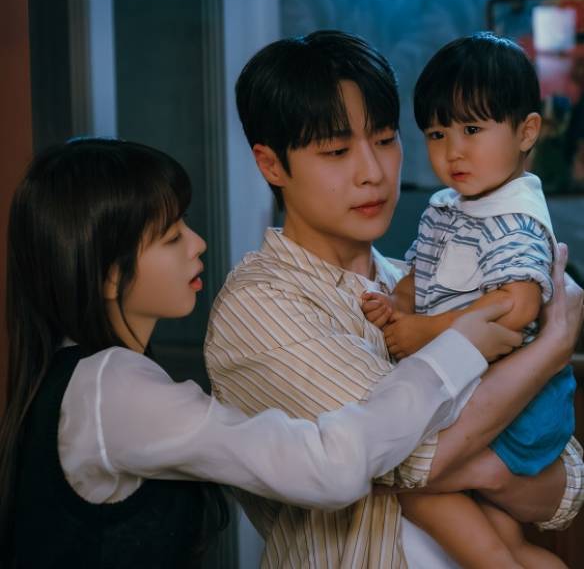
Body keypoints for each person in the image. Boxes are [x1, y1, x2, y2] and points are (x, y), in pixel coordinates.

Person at [0, 137, 524, 569]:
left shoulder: (85, 380)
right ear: (111, 276)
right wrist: (457, 349)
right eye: (171, 236)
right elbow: (331, 467)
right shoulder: (110, 387)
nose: (198, 243)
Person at [204, 30, 584, 568]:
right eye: (337, 151)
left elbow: (564, 481)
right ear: (271, 165)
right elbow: (404, 462)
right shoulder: (262, 306)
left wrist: (491, 466)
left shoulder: (424, 281)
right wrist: (550, 349)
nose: (373, 173)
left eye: (385, 140)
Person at [362, 32, 578, 568]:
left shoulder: (514, 216)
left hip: (520, 406)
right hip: (483, 394)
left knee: (416, 488)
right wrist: (396, 303)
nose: (452, 150)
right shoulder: (450, 206)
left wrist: (424, 331)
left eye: (472, 129)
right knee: (502, 536)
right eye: (437, 134)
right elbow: (421, 275)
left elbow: (517, 307)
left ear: (527, 131)